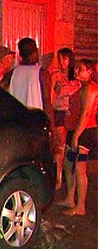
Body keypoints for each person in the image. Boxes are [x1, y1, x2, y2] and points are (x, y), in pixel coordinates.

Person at [55, 59, 98, 216]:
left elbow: (86, 114)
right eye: (77, 68)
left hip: (84, 133)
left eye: (81, 69)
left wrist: (76, 136)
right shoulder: (84, 87)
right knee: (68, 164)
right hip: (76, 131)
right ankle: (70, 198)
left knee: (80, 169)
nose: (76, 70)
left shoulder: (90, 89)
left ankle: (80, 206)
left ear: (90, 71)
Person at [0, 37, 54, 127]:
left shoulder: (12, 73)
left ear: (20, 54)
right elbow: (47, 103)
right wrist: (53, 129)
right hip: (35, 123)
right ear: (35, 51)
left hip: (17, 122)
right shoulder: (42, 73)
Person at [51, 48, 82, 188]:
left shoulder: (76, 78)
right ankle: (58, 177)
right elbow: (51, 96)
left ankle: (69, 176)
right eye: (59, 59)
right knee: (59, 146)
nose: (61, 62)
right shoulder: (55, 75)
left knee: (70, 147)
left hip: (72, 114)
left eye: (64, 59)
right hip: (59, 112)